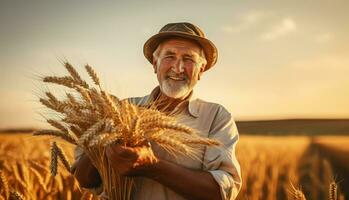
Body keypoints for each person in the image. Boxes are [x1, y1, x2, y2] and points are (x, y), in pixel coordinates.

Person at [71, 22, 242, 200]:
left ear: (201, 71)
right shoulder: (121, 110)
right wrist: (105, 137)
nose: (178, 68)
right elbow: (84, 179)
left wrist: (152, 166)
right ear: (155, 64)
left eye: (189, 59)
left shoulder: (216, 117)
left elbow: (223, 192)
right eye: (170, 56)